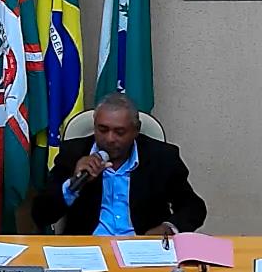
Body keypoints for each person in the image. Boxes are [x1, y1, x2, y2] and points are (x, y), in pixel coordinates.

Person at [32, 93, 207, 236]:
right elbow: (40, 214)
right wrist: (73, 184)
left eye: (120, 132)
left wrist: (167, 228)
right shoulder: (73, 154)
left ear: (136, 130)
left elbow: (194, 207)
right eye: (102, 130)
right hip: (89, 249)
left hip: (142, 248)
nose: (110, 139)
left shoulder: (162, 157)